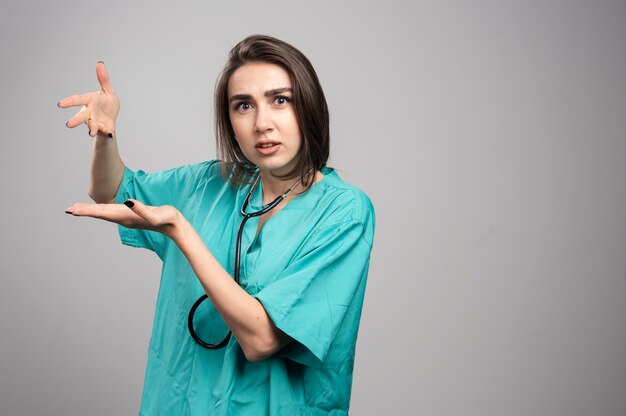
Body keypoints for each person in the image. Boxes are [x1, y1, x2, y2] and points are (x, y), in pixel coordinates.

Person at [59, 35, 375, 416]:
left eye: (280, 100)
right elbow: (113, 192)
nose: (262, 123)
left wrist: (180, 230)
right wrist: (105, 136)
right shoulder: (208, 184)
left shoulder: (344, 211)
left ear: (308, 106)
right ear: (230, 121)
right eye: (243, 105)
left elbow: (260, 339)